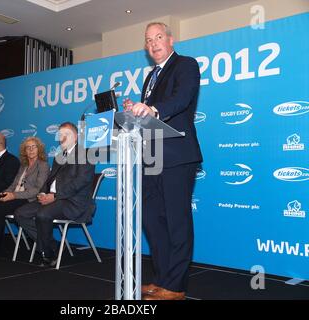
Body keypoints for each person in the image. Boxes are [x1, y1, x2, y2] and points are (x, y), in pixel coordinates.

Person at [123, 22, 202, 300]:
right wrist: (135, 111)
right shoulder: (150, 77)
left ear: (170, 39)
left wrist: (154, 108)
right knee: (153, 220)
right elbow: (148, 116)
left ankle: (176, 286)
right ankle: (163, 278)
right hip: (151, 156)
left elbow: (182, 98)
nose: (153, 43)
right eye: (148, 40)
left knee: (176, 221)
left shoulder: (186, 65)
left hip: (177, 155)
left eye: (158, 37)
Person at [15, 122, 95, 267]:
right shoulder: (59, 156)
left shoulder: (85, 154)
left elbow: (80, 182)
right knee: (20, 213)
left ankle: (49, 255)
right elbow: (50, 179)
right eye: (60, 135)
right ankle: (53, 245)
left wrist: (55, 196)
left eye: (67, 134)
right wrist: (43, 193)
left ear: (76, 137)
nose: (62, 138)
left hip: (73, 202)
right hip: (53, 198)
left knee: (43, 215)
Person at [0, 137, 50, 260]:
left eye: (33, 147)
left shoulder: (43, 165)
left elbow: (37, 190)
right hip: (14, 196)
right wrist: (5, 194)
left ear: (39, 149)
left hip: (27, 199)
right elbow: (13, 185)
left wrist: (13, 195)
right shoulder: (23, 166)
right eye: (27, 147)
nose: (30, 150)